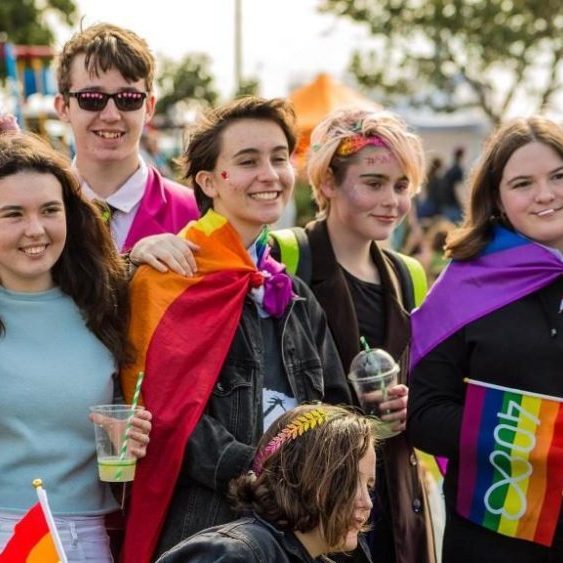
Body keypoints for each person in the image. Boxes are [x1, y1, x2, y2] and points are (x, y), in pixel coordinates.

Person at [119, 97, 351, 562]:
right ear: (208, 181)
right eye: (247, 161)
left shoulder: (293, 291)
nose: (269, 174)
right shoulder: (167, 277)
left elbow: (333, 402)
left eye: (279, 158)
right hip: (209, 528)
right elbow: (163, 414)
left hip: (300, 530)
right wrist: (266, 472)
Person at [270, 108, 436, 563]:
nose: (392, 202)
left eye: (401, 186)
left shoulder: (409, 275)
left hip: (392, 495)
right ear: (327, 183)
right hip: (311, 498)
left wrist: (411, 400)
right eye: (374, 183)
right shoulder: (285, 256)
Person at [408, 115, 563, 563]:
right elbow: (424, 413)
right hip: (496, 538)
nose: (546, 195)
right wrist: (538, 440)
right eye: (523, 184)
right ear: (496, 198)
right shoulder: (465, 285)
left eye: (558, 176)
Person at [0, 132, 152, 561]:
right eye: (12, 214)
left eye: (50, 210)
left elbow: (126, 403)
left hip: (88, 538)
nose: (36, 229)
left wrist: (133, 432)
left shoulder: (106, 302)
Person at [155, 404, 377, 563]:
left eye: (368, 487)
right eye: (348, 482)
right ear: (300, 476)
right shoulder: (239, 553)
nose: (367, 503)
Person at [54, 23, 199, 256]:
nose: (111, 115)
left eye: (128, 98)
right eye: (92, 98)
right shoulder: (36, 215)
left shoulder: (195, 214)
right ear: (63, 107)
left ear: (149, 107)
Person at [439, 147, 465, 223]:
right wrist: (462, 204)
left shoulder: (450, 169)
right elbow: (457, 188)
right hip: (453, 204)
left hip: (446, 203)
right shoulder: (458, 170)